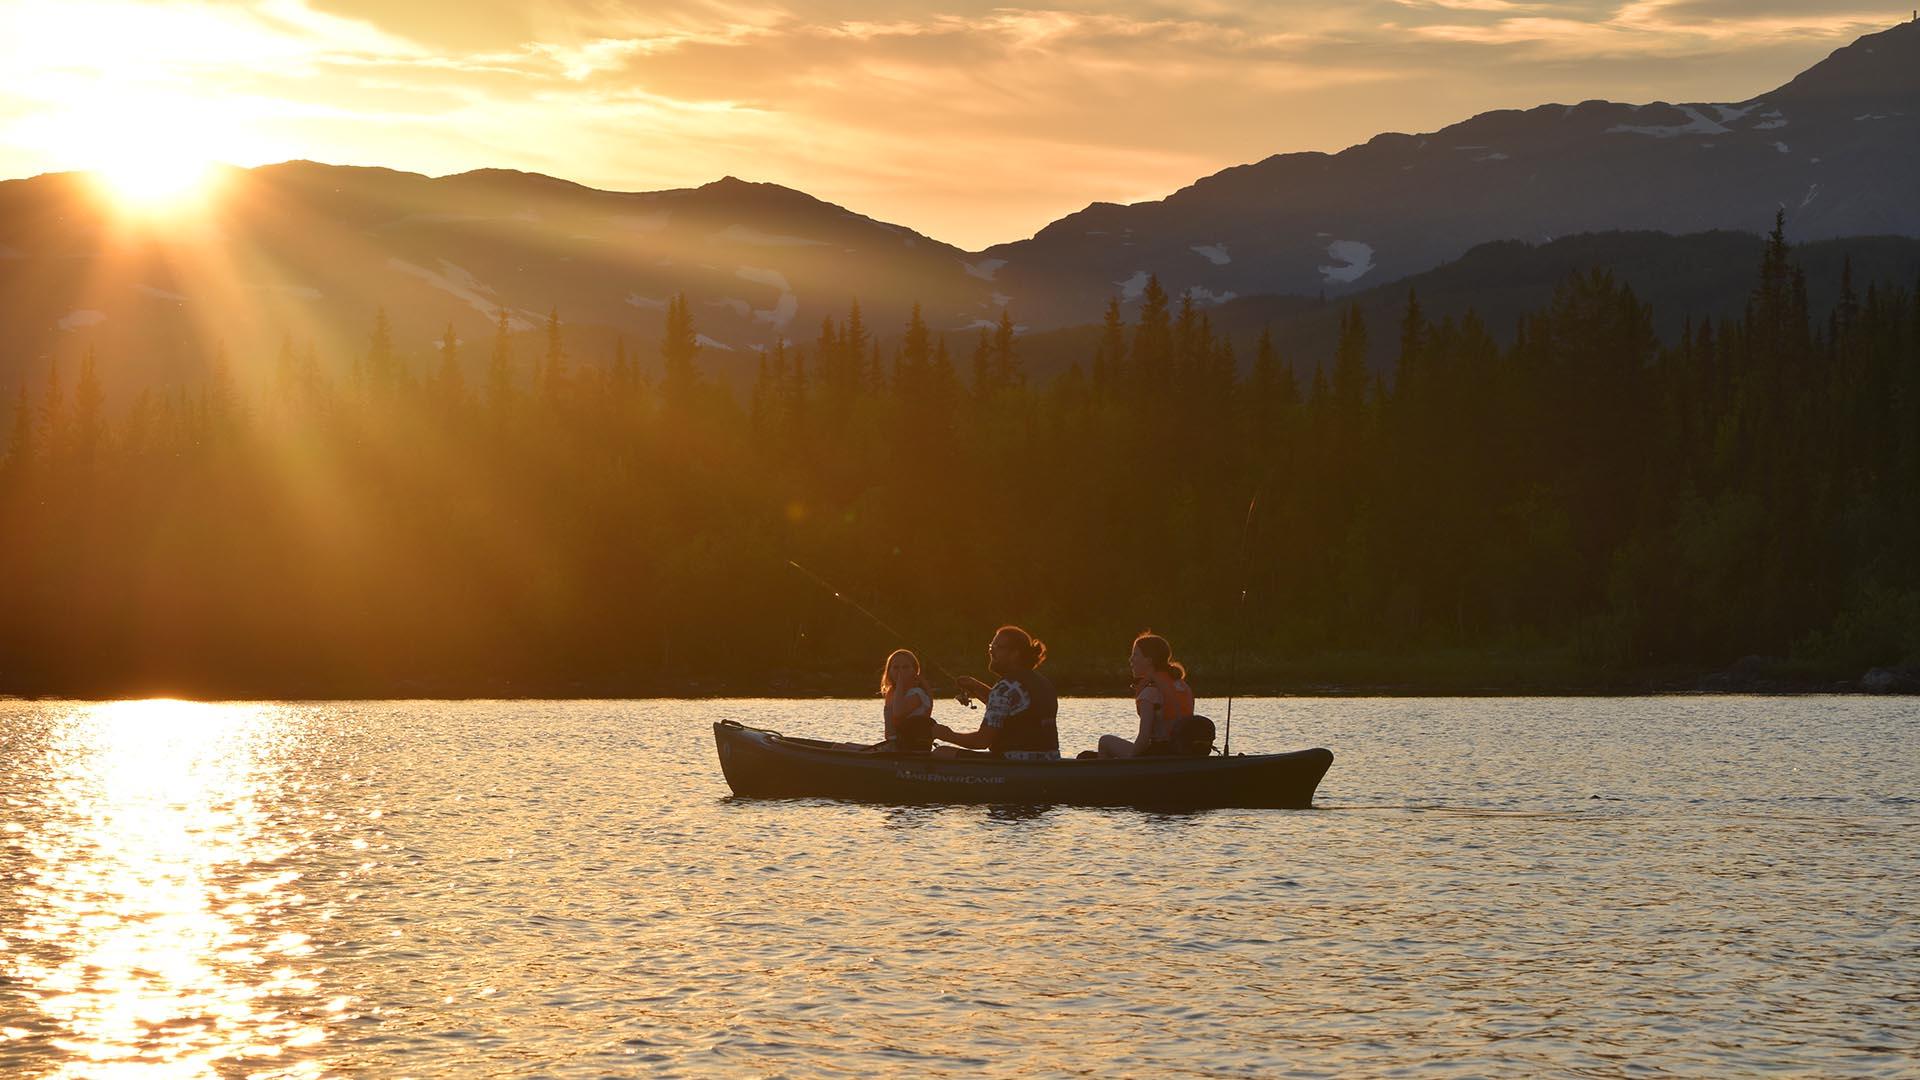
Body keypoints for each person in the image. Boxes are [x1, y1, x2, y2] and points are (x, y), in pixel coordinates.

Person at [934, 625, 1059, 759]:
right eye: (990, 647)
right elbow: (1009, 708)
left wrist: (945, 734)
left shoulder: (1005, 687)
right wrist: (975, 686)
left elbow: (981, 741)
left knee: (941, 753)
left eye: (997, 647)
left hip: (1013, 762)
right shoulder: (1043, 682)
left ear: (1015, 654)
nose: (991, 652)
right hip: (1050, 759)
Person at [1098, 632, 1194, 758]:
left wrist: (1128, 759)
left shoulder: (1149, 693)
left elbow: (1143, 740)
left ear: (1149, 661)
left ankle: (1111, 775)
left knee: (1105, 741)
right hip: (1181, 750)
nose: (1130, 659)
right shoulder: (1182, 686)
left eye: (1135, 655)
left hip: (1159, 753)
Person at [880, 648, 936, 753]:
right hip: (896, 747)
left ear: (914, 671)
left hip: (913, 749)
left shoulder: (917, 694)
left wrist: (900, 683)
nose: (900, 671)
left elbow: (898, 714)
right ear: (889, 671)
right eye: (896, 668)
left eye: (905, 667)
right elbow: (889, 730)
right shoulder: (893, 693)